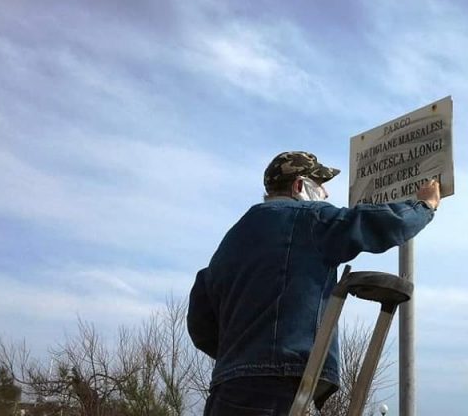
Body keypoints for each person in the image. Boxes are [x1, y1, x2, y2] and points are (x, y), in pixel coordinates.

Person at [187, 151, 440, 415]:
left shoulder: (231, 240)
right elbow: (374, 224)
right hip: (279, 382)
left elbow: (199, 323)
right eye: (320, 184)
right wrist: (423, 206)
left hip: (226, 387)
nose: (326, 194)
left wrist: (239, 357)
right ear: (299, 185)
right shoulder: (310, 218)